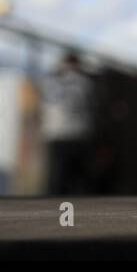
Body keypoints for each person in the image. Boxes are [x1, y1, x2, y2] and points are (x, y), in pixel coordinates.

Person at [40, 52, 95, 195]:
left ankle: (56, 209)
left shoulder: (50, 81)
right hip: (80, 133)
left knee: (57, 178)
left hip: (56, 133)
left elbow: (43, 106)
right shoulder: (86, 82)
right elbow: (93, 106)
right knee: (80, 178)